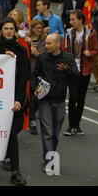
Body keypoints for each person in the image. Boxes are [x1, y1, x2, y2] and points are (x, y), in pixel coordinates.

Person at [0, 18, 31, 186]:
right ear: (1, 31)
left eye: (11, 28)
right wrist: (2, 59)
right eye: (6, 28)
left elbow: (24, 77)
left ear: (15, 31)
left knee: (11, 135)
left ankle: (14, 172)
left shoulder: (21, 50)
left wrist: (19, 100)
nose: (9, 31)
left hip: (12, 102)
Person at [31, 33, 80, 169]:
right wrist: (35, 88)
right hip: (45, 100)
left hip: (59, 100)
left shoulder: (67, 58)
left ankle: (48, 154)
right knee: (48, 132)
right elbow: (34, 75)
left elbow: (77, 75)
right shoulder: (42, 58)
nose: (46, 46)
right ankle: (49, 161)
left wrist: (67, 69)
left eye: (49, 44)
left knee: (55, 134)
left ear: (58, 44)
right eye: (45, 43)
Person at [62, 10, 98, 136]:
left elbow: (96, 50)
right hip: (72, 70)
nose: (70, 22)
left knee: (81, 98)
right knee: (73, 97)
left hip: (85, 70)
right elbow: (64, 50)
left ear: (81, 20)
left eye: (73, 19)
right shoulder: (68, 34)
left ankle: (77, 125)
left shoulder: (91, 33)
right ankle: (71, 125)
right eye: (70, 19)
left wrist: (90, 53)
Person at [25, 19, 47, 135]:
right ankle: (32, 120)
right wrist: (28, 44)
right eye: (36, 27)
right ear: (32, 28)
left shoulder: (44, 40)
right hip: (30, 71)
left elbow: (44, 54)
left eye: (40, 27)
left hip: (41, 72)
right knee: (32, 96)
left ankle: (32, 115)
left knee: (39, 96)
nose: (38, 30)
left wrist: (37, 54)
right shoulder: (27, 39)